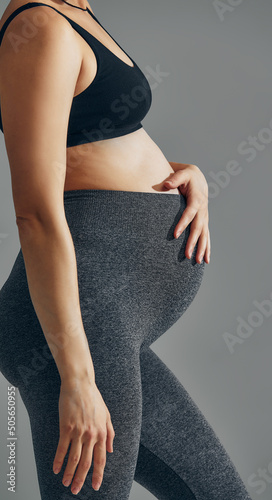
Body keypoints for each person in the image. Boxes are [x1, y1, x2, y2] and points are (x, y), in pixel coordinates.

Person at [0, 1, 253, 498]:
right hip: (78, 329)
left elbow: (86, 141)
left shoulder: (75, 10)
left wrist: (185, 170)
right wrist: (75, 378)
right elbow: (35, 211)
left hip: (110, 325)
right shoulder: (39, 26)